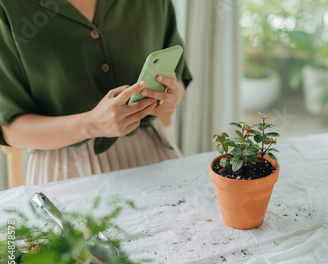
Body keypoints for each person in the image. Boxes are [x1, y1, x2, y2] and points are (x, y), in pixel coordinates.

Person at [0, 0, 192, 185]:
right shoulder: (8, 7)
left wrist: (172, 97)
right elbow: (11, 128)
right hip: (63, 166)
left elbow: (178, 75)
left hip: (149, 152)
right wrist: (90, 125)